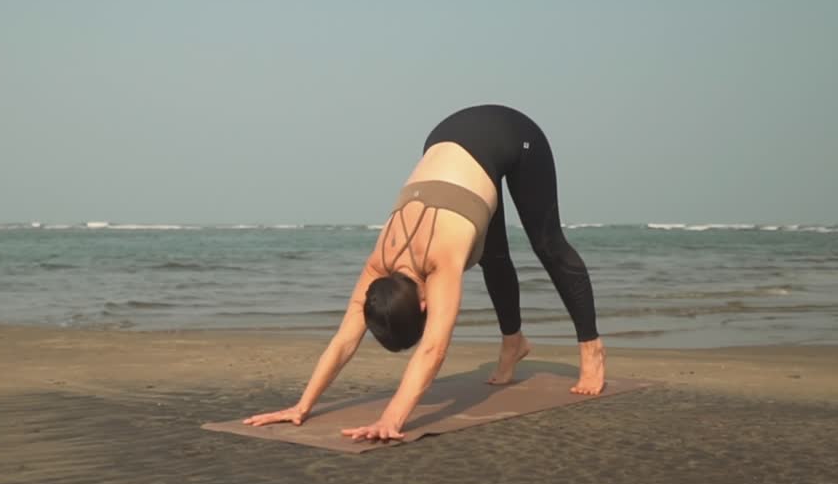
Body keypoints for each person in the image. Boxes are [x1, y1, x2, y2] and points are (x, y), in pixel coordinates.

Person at [244, 104, 605, 443]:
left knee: (548, 245)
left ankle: (592, 351)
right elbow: (343, 341)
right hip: (446, 138)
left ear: (422, 306)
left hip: (513, 134)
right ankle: (514, 344)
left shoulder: (440, 259)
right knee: (492, 256)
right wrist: (301, 406)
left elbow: (434, 349)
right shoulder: (378, 265)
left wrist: (392, 419)